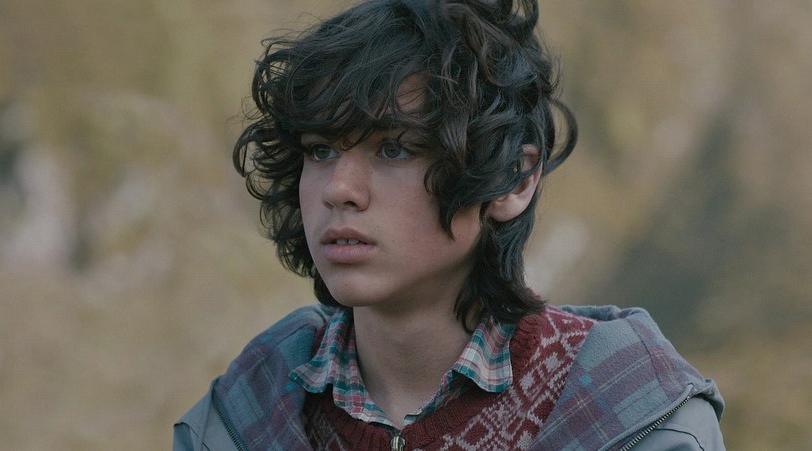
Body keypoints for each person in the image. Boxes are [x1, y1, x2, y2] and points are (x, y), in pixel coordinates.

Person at [174, 0, 725, 449]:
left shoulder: (632, 412)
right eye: (320, 150)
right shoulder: (246, 413)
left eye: (394, 148)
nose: (339, 189)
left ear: (513, 180)